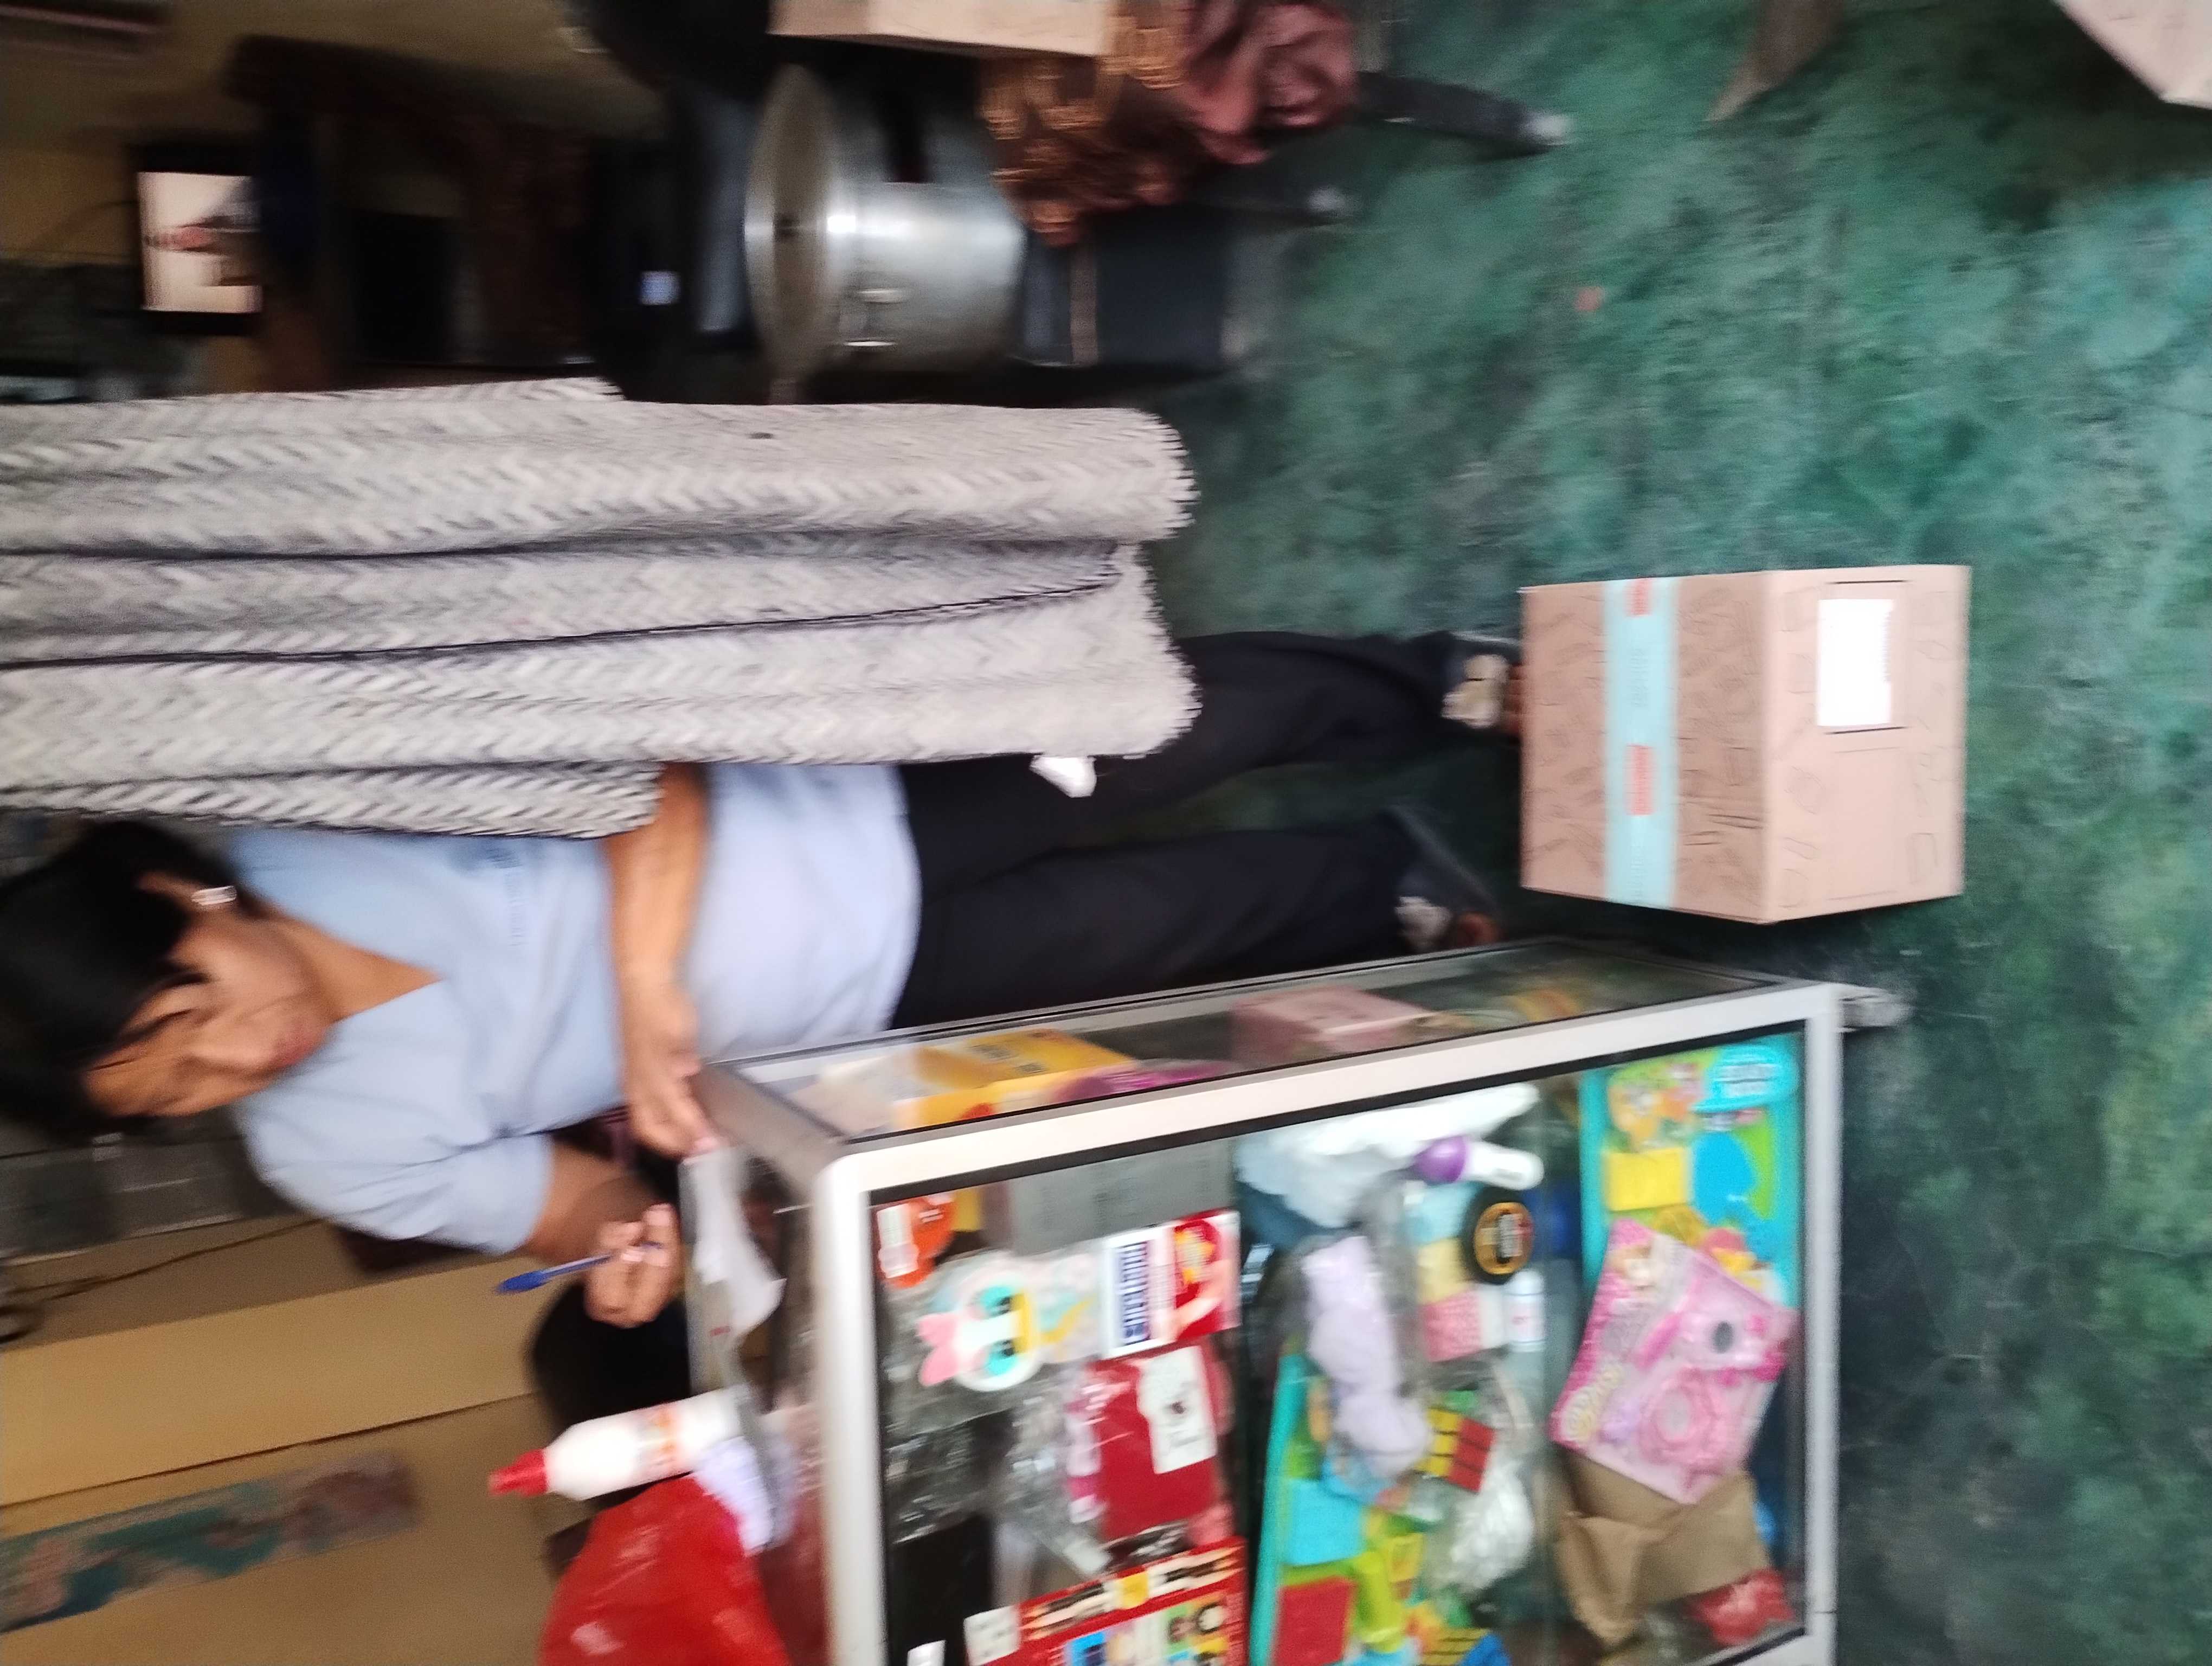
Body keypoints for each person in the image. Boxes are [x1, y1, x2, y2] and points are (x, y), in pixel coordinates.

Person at [0, 632, 1517, 1406]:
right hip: (864, 1006)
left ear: (175, 898)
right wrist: (619, 1251)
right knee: (1161, 929)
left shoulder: (320, 816)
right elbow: (576, 1205)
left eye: (186, 1018)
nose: (234, 1063)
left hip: (857, 791)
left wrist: (642, 986)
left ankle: (1431, 680)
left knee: (1171, 719)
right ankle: (1391, 887)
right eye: (176, 1095)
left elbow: (634, 765)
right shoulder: (325, 1154)